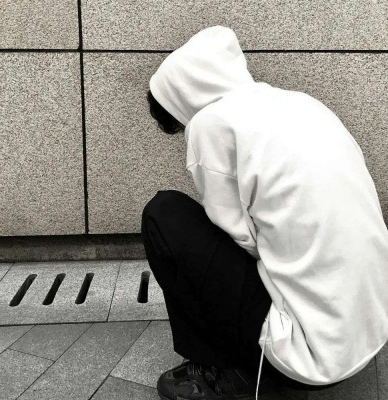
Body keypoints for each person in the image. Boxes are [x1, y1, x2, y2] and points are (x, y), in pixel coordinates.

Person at [141, 25, 388, 400]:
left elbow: (240, 238)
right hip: (369, 328)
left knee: (164, 214)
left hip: (306, 357)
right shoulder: (299, 103)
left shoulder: (212, 123)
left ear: (181, 98)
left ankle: (224, 371)